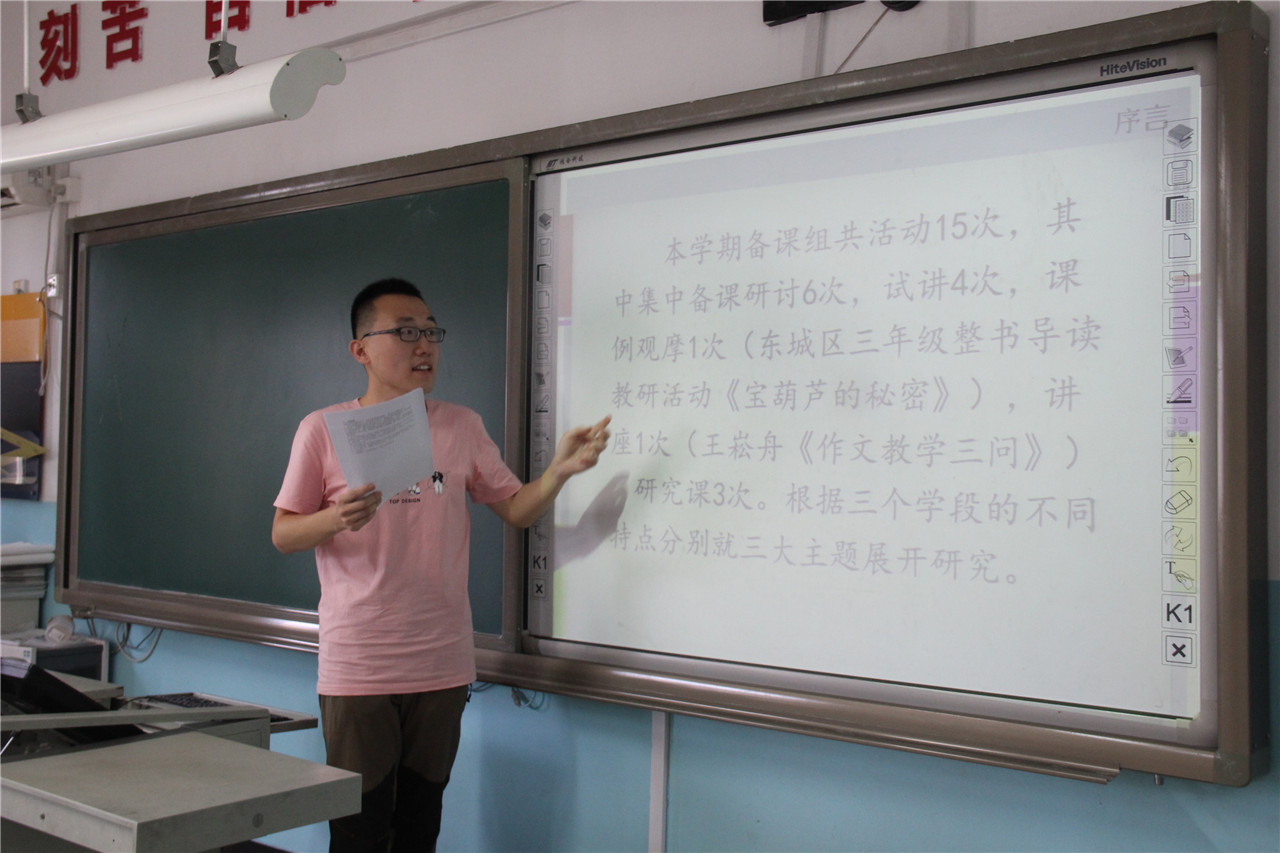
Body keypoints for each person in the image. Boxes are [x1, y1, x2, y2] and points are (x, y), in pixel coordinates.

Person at [271, 278, 610, 853]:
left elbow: (515, 508)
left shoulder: (461, 426)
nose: (424, 346)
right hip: (360, 661)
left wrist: (558, 471)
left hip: (441, 659)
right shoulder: (322, 429)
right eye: (406, 333)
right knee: (358, 829)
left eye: (431, 332)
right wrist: (336, 518)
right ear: (361, 349)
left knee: (420, 825)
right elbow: (283, 533)